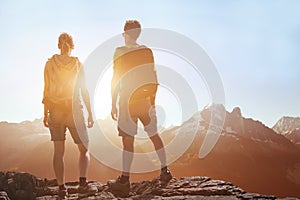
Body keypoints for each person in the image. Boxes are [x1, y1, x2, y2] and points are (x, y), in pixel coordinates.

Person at [108, 20, 172, 196]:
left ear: (126, 34)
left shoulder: (119, 52)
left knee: (128, 142)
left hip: (127, 103)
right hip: (145, 100)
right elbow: (154, 77)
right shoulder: (146, 51)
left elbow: (116, 78)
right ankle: (165, 171)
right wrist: (152, 101)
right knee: (154, 135)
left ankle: (124, 180)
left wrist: (113, 103)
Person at [42, 33, 97, 199]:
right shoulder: (77, 64)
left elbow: (46, 88)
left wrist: (45, 113)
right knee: (84, 149)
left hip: (55, 111)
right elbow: (84, 90)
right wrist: (89, 113)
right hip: (74, 111)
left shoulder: (50, 64)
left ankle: (61, 188)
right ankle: (82, 184)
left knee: (58, 151)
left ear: (58, 45)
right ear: (72, 46)